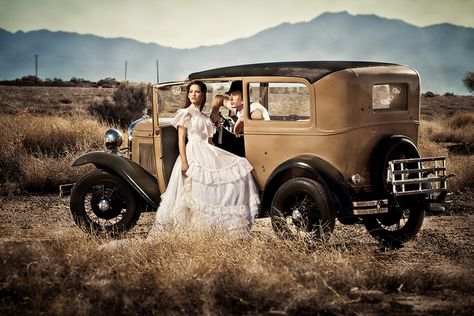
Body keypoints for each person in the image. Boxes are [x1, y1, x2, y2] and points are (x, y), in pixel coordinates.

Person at [148, 80, 260, 238]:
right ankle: (194, 228)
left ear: (202, 95)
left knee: (238, 170)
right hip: (192, 152)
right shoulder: (184, 113)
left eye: (197, 92)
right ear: (188, 94)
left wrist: (218, 155)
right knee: (195, 191)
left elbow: (209, 141)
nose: (194, 94)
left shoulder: (204, 116)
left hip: (207, 151)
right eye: (191, 91)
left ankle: (220, 225)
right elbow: (182, 140)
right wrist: (185, 162)